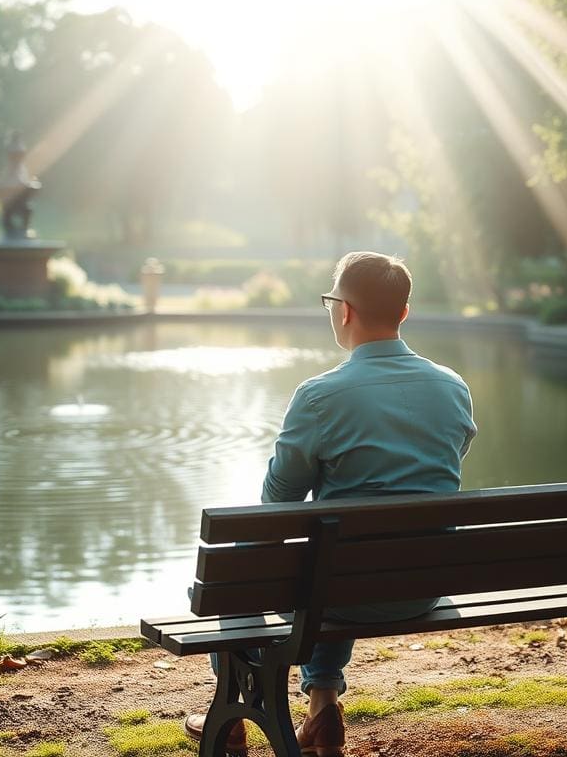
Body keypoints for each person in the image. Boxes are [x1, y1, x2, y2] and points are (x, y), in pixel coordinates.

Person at [184, 251, 476, 756]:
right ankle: (322, 708)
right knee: (335, 556)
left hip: (342, 589)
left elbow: (278, 503)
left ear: (344, 311)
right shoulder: (453, 388)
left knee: (258, 564)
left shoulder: (319, 396)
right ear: (403, 314)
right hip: (423, 585)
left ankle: (231, 714)